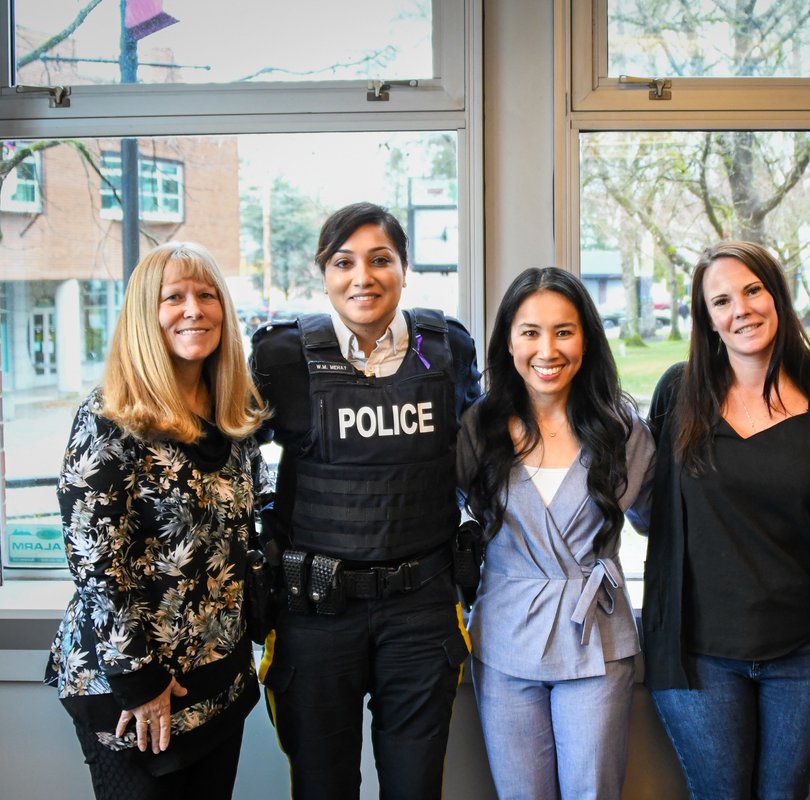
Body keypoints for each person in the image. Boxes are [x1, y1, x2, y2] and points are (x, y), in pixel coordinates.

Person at [251, 201, 481, 799]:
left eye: (381, 260)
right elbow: (231, 457)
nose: (363, 277)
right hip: (316, 611)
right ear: (323, 273)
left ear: (404, 268)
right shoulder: (282, 358)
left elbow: (480, 453)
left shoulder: (447, 347)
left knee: (414, 787)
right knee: (322, 788)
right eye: (343, 262)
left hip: (422, 608)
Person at [46, 242, 272, 800]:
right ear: (146, 316)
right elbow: (94, 558)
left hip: (217, 683)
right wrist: (140, 682)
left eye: (206, 294)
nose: (194, 309)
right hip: (135, 693)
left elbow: (251, 524)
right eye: (174, 297)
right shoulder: (109, 417)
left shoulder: (234, 414)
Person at [644, 241, 810, 800]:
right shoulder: (678, 393)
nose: (740, 309)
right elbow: (646, 507)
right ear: (708, 319)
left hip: (805, 655)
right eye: (721, 300)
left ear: (777, 296)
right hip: (699, 656)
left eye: (752, 290)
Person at [457, 267, 654, 800]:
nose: (548, 349)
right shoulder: (478, 429)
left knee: (594, 792)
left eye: (564, 331)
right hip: (504, 638)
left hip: (596, 638)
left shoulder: (624, 433)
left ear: (586, 339)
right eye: (530, 332)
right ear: (508, 341)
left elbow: (657, 522)